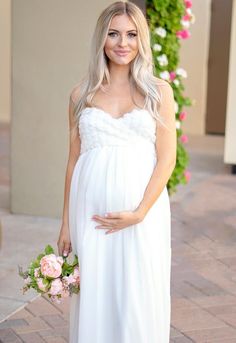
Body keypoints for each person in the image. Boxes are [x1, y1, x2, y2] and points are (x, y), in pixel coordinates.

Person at [57, 1, 176, 342]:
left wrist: (139, 213)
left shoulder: (158, 92)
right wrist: (65, 222)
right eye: (113, 34)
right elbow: (73, 159)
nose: (122, 43)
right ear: (102, 39)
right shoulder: (81, 94)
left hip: (143, 213)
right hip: (90, 215)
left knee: (138, 291)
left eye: (131, 34)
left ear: (141, 41)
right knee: (96, 290)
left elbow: (167, 157)